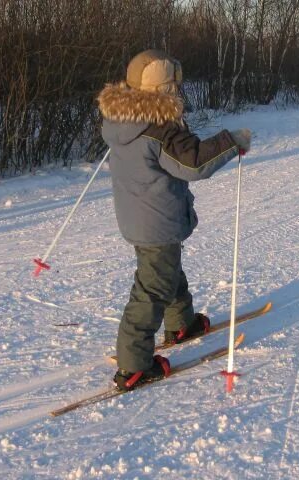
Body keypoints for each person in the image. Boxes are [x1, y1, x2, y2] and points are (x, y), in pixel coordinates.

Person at [98, 49, 252, 391]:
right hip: (157, 220)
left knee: (165, 272)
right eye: (175, 86)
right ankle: (134, 365)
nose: (179, 93)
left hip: (139, 216)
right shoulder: (159, 129)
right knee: (153, 287)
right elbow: (193, 163)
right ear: (165, 88)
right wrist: (231, 141)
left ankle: (181, 324)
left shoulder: (122, 121)